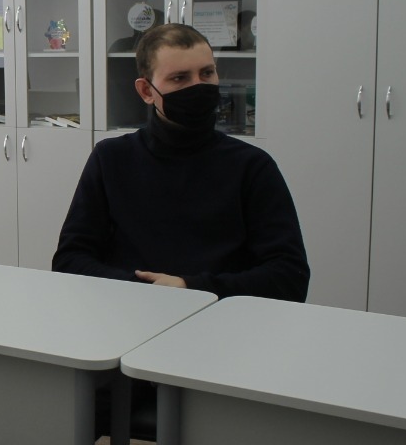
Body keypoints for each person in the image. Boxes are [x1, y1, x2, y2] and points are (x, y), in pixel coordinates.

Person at [52, 23, 309, 302]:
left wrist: (191, 287)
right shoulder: (111, 158)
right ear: (146, 91)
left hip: (223, 319)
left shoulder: (252, 166)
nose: (198, 86)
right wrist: (145, 289)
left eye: (207, 73)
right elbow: (70, 260)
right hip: (128, 312)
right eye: (180, 78)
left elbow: (289, 276)